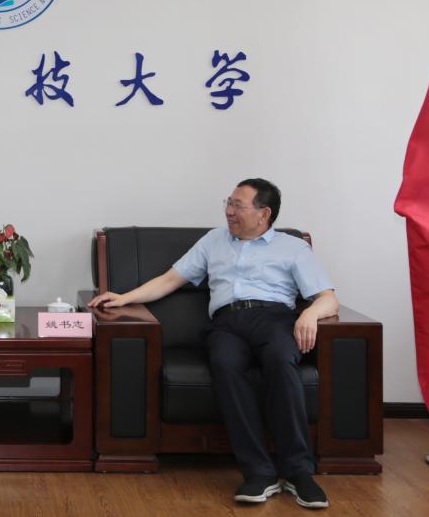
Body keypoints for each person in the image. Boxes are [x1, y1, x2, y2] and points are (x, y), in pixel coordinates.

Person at [88, 178, 338, 510]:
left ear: (264, 213)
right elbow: (170, 279)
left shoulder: (292, 248)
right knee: (224, 364)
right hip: (227, 322)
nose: (229, 211)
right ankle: (259, 473)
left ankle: (298, 472)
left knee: (281, 361)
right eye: (228, 203)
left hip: (275, 319)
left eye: (238, 205)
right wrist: (124, 298)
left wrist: (310, 315)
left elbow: (327, 298)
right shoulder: (214, 241)